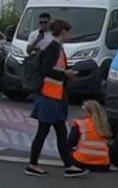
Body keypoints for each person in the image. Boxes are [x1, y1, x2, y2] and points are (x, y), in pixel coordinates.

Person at [25, 19, 88, 178]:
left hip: (55, 95)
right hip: (49, 96)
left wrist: (66, 75)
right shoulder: (53, 48)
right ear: (63, 32)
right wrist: (65, 74)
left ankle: (69, 165)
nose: (71, 35)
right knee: (44, 131)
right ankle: (34, 164)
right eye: (69, 32)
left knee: (60, 131)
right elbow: (45, 69)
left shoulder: (56, 48)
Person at [68, 100, 113, 172]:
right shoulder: (104, 125)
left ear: (88, 112)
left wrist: (73, 127)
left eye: (83, 110)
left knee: (66, 150)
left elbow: (71, 142)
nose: (81, 112)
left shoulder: (81, 123)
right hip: (102, 165)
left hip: (81, 162)